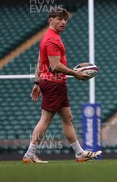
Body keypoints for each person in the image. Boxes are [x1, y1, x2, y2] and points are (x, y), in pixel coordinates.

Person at [23, 8, 102, 163]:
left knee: (68, 118)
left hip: (52, 82)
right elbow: (54, 65)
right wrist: (75, 73)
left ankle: (79, 153)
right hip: (54, 83)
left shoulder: (49, 36)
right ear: (50, 19)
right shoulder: (53, 39)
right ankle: (29, 154)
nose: (64, 22)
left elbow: (40, 61)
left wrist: (37, 82)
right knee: (45, 120)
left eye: (65, 19)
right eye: (60, 19)